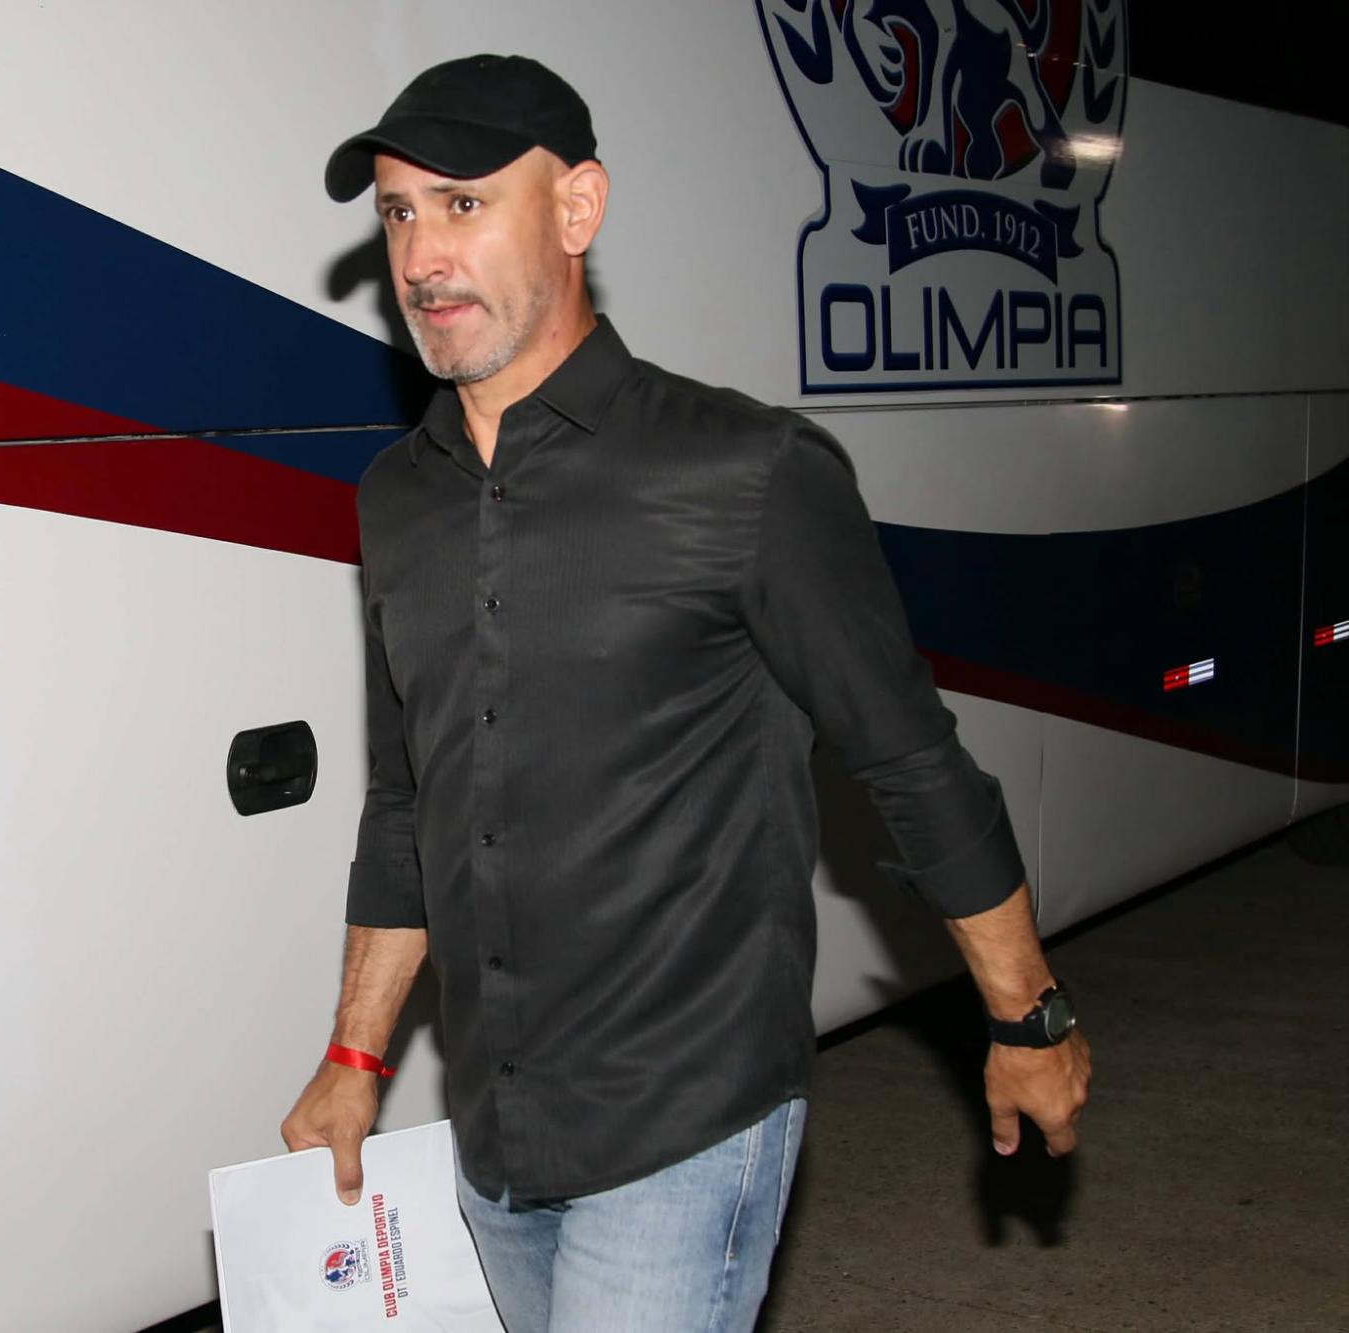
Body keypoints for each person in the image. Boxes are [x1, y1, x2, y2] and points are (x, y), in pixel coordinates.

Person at [280, 53, 1091, 1331]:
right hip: (494, 1130)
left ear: (576, 208)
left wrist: (1026, 1013)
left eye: (464, 203)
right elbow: (406, 805)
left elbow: (910, 760)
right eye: (397, 212)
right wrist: (352, 1056)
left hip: (683, 1114)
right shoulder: (398, 498)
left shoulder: (744, 470)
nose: (422, 255)